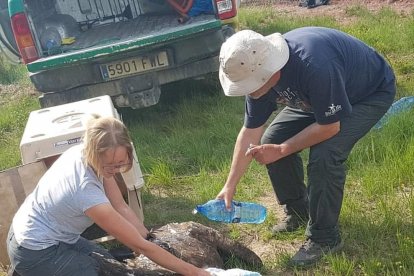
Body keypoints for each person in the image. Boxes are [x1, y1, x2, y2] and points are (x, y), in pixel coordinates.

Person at [216, 27, 396, 266]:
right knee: (273, 137)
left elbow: (329, 128)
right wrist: (230, 186)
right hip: (317, 99)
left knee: (325, 154)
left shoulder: (315, 65)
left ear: (267, 71)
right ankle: (298, 210)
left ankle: (325, 238)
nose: (247, 92)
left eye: (249, 85)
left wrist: (283, 150)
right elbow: (250, 132)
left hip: (366, 94)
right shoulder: (254, 68)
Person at [6, 117, 210, 276]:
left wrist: (147, 235)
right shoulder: (85, 191)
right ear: (95, 153)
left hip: (49, 236)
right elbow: (139, 247)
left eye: (121, 163)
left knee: (109, 264)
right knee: (98, 272)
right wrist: (194, 272)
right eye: (110, 165)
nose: (115, 169)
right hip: (34, 250)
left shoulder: (85, 153)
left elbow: (120, 206)